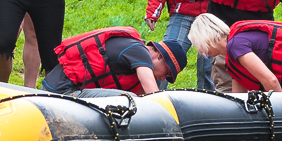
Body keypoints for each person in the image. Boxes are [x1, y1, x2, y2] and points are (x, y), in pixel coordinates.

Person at [40, 27, 181, 96]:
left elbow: (143, 97)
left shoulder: (136, 66)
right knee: (128, 99)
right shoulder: (140, 52)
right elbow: (153, 98)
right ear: (160, 57)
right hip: (61, 91)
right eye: (167, 73)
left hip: (61, 91)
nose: (163, 78)